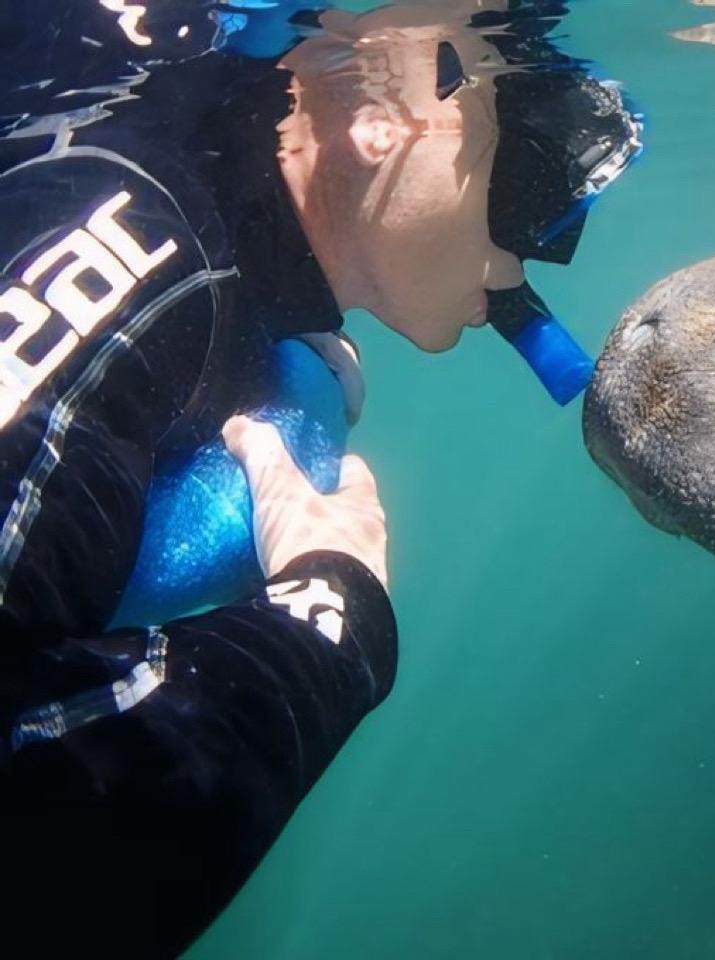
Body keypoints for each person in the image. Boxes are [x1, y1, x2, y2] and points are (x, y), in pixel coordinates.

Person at [0, 0, 639, 953]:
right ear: (384, 119)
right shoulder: (132, 247)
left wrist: (267, 340)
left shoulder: (213, 235)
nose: (531, 255)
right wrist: (324, 625)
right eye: (529, 184)